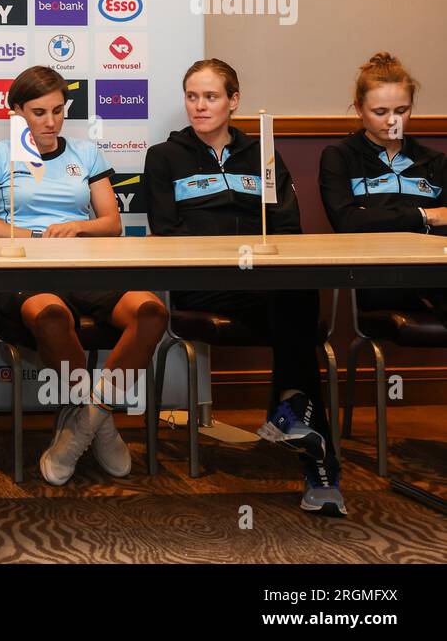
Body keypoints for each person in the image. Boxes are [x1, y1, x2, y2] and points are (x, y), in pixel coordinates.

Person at [145, 58, 344, 516]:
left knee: (294, 293)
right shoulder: (164, 157)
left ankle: (297, 421)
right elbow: (166, 231)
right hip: (202, 284)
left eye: (211, 97)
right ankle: (309, 443)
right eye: (192, 96)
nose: (199, 106)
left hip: (262, 283)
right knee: (295, 316)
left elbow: (288, 227)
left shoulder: (264, 155)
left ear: (234, 101)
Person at [0, 65, 168, 487]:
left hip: (84, 265)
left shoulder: (86, 153)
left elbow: (111, 222)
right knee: (52, 315)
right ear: (16, 111)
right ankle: (96, 425)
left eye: (58, 110)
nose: (51, 121)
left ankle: (86, 420)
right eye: (39, 112)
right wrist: (35, 234)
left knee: (150, 311)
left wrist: (79, 227)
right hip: (24, 268)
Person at [319, 52, 446, 318]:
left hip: (435, 271)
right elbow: (349, 223)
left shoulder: (434, 161)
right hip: (377, 276)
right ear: (358, 108)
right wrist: (426, 216)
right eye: (380, 112)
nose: (392, 121)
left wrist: (375, 216)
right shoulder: (340, 157)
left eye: (402, 110)